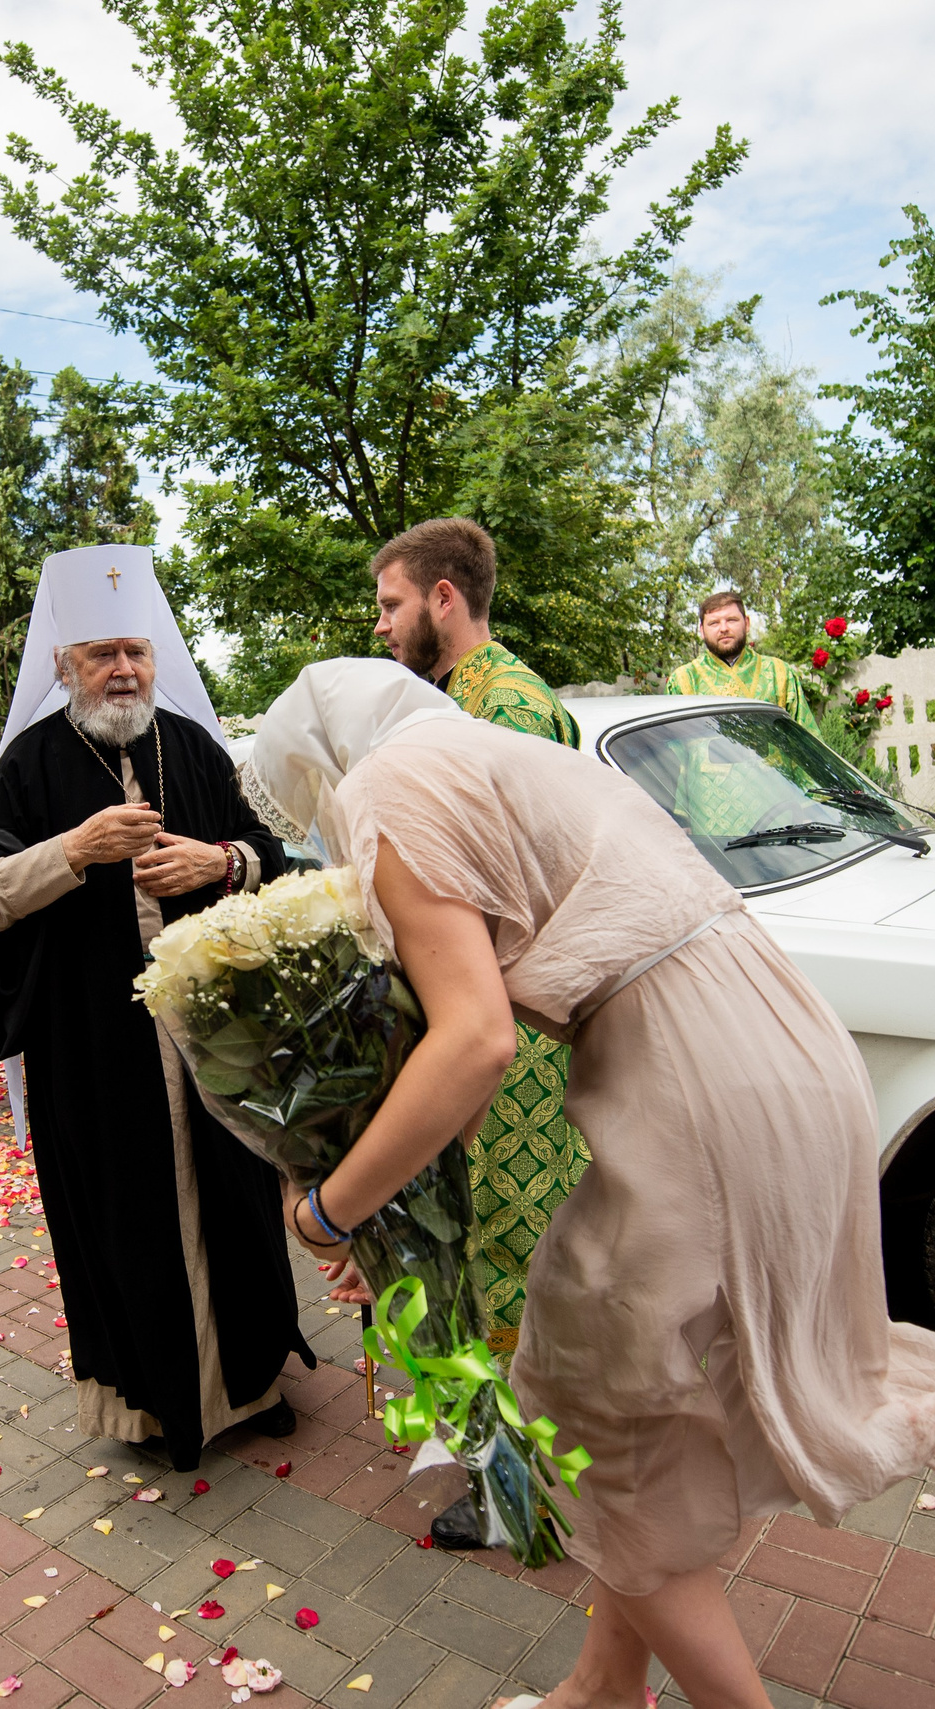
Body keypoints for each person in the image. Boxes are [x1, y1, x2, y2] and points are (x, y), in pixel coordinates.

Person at [245, 659, 935, 1709]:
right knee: (627, 1405)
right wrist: (403, 1229)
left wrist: (329, 1209)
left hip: (699, 1076)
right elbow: (470, 1055)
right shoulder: (492, 754)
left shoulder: (386, 783)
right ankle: (603, 1685)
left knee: (583, 1404)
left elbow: (473, 1040)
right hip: (780, 1039)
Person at [0, 545, 309, 1473]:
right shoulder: (29, 763)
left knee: (239, 1206)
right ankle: (152, 1405)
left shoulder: (191, 745)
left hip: (212, 1039)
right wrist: (73, 850)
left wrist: (218, 863)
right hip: (93, 1047)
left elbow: (273, 853)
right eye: (102, 654)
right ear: (65, 663)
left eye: (135, 652)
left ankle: (252, 1384)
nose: (123, 671)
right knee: (122, 1221)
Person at [371, 517, 589, 1551]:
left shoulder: (504, 705)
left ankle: (528, 1495)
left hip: (505, 1029)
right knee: (496, 1260)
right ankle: (520, 1473)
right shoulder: (455, 701)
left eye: (390, 604)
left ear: (443, 598)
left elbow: (513, 892)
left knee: (510, 1262)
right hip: (485, 1016)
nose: (381, 626)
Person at [661, 590, 810, 721]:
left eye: (731, 620)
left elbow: (807, 738)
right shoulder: (683, 680)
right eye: (714, 623)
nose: (724, 629)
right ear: (702, 630)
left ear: (746, 624)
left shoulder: (779, 673)